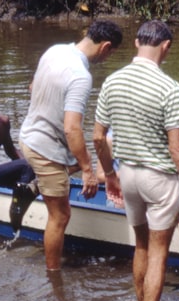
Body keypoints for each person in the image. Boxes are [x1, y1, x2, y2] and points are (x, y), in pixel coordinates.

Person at [93, 20, 179, 301]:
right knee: (158, 254)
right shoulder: (170, 88)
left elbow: (99, 137)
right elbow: (177, 147)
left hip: (127, 176)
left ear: (137, 44)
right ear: (165, 47)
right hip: (159, 179)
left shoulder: (112, 82)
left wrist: (110, 174)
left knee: (140, 248)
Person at [19, 20, 123, 271]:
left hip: (29, 136)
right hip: (45, 148)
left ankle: (36, 186)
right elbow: (72, 128)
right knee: (61, 215)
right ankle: (53, 275)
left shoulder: (54, 50)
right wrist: (88, 171)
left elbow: (32, 87)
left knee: (83, 153)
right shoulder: (81, 76)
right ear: (106, 47)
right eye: (111, 54)